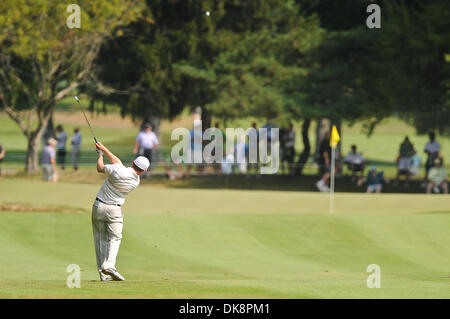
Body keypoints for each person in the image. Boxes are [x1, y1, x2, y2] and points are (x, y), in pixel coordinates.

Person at [92, 141, 149, 281]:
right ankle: (109, 265)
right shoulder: (136, 181)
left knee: (100, 239)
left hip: (98, 207)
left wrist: (100, 155)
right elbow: (117, 162)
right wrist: (104, 149)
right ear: (143, 171)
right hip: (114, 210)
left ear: (132, 162)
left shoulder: (118, 169)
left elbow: (100, 168)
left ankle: (103, 274)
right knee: (115, 237)